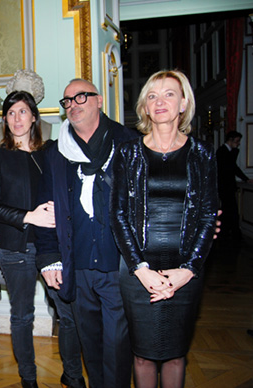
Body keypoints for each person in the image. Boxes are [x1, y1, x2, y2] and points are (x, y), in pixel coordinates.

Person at [110, 69, 218, 387]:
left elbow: (209, 214)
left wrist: (189, 270)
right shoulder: (128, 153)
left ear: (183, 104)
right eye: (153, 96)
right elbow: (118, 215)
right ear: (144, 106)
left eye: (169, 94)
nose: (160, 102)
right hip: (136, 271)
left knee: (174, 355)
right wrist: (141, 270)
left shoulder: (202, 154)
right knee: (142, 356)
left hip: (184, 271)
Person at [35, 78, 135, 388]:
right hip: (76, 265)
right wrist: (50, 257)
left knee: (118, 344)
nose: (73, 105)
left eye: (81, 97)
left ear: (99, 100)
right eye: (67, 101)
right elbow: (45, 208)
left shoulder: (129, 144)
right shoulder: (55, 153)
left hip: (118, 264)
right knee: (90, 343)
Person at [0, 91, 85, 388]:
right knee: (22, 316)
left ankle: (73, 374)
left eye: (23, 112)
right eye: (11, 113)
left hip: (53, 246)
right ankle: (28, 377)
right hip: (16, 246)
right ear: (4, 119)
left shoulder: (51, 152)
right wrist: (30, 216)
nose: (17, 118)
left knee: (68, 314)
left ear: (34, 117)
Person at [216, 130, 252, 242]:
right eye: (237, 141)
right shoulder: (222, 152)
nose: (238, 143)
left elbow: (234, 167)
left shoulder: (228, 151)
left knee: (228, 210)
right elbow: (231, 168)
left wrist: (246, 179)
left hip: (227, 187)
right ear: (230, 140)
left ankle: (226, 232)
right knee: (231, 210)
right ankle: (231, 233)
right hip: (224, 187)